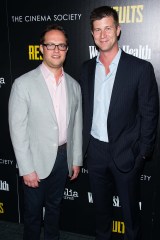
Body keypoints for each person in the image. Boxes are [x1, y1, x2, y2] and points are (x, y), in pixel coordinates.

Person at [80, 6, 159, 240]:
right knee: (101, 215)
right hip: (95, 153)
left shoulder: (140, 69)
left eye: (107, 28)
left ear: (118, 30)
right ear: (92, 34)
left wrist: (141, 155)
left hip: (127, 154)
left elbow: (149, 114)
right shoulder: (86, 69)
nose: (103, 35)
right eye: (97, 30)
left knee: (130, 217)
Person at [9, 24, 83, 240]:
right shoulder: (23, 84)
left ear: (67, 49)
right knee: (32, 217)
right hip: (35, 160)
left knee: (54, 210)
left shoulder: (74, 85)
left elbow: (76, 126)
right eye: (50, 44)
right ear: (41, 48)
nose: (56, 49)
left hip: (63, 158)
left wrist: (75, 159)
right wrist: (26, 168)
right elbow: (17, 129)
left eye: (61, 45)